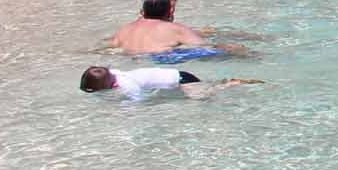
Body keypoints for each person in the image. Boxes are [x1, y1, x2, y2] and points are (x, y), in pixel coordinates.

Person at [111, 0, 204, 54]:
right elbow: (206, 48)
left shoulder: (124, 30)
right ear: (170, 9)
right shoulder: (176, 30)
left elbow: (111, 50)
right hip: (159, 63)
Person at [79, 65, 257, 101]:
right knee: (203, 91)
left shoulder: (127, 85)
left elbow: (137, 101)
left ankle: (232, 83)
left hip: (181, 80)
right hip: (178, 75)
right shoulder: (116, 73)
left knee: (204, 96)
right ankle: (226, 82)